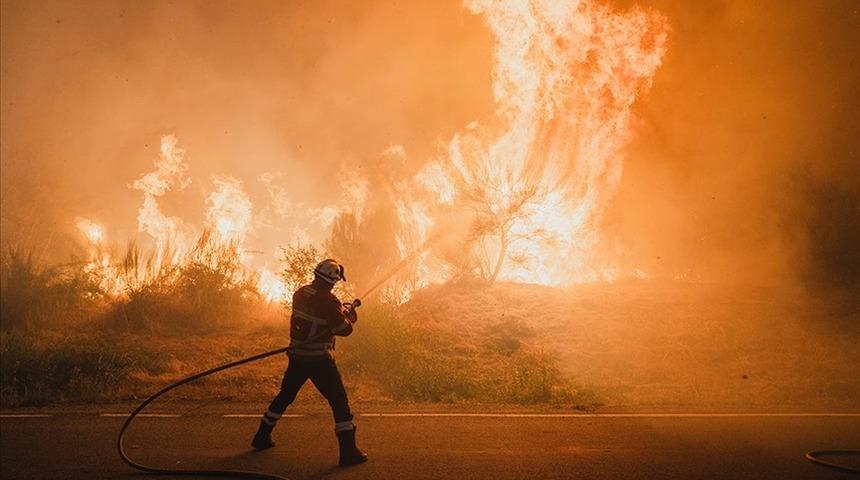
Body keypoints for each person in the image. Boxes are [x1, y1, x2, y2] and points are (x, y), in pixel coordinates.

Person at [251, 259, 368, 467]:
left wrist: (342, 311)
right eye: (335, 282)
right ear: (332, 281)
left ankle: (261, 436)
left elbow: (323, 317)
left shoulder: (301, 293)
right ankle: (348, 452)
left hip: (297, 356)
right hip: (319, 360)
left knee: (285, 395)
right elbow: (344, 330)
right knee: (339, 401)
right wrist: (350, 317)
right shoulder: (329, 302)